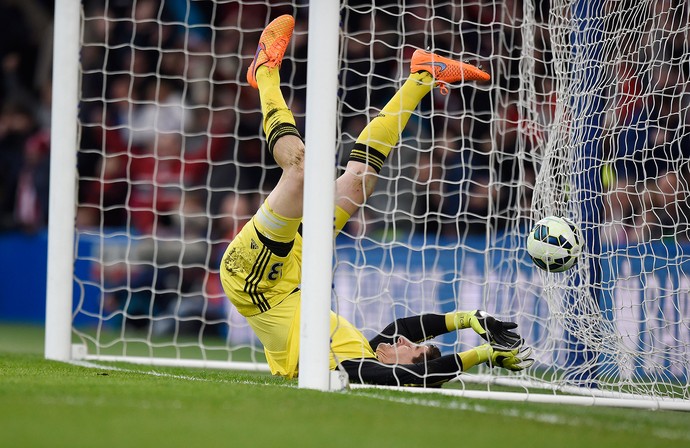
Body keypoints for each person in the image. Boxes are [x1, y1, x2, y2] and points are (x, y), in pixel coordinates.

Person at [219, 15, 534, 386]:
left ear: (406, 366)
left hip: (257, 283)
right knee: (358, 183)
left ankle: (265, 73)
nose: (403, 340)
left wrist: (481, 355)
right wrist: (468, 318)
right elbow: (404, 328)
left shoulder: (351, 368)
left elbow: (414, 376)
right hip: (293, 270)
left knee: (302, 171)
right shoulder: (367, 352)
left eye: (411, 349)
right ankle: (422, 75)